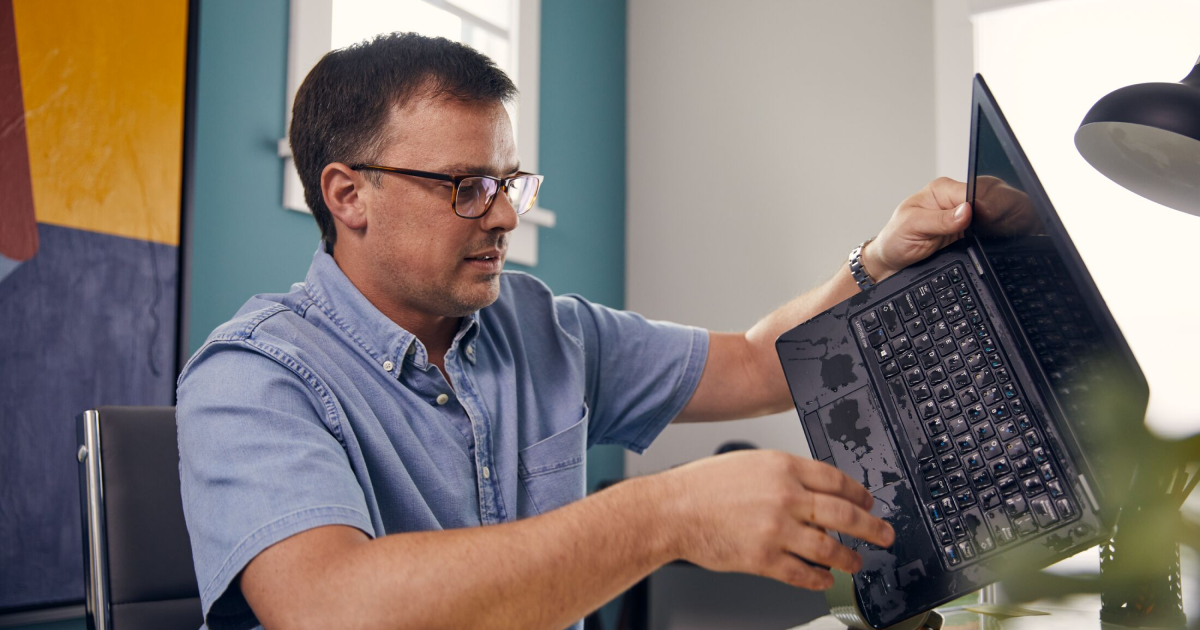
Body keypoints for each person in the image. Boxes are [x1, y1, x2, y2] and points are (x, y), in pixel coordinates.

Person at [176, 32, 971, 630]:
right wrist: (668, 514)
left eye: (509, 183)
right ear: (349, 195)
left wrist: (875, 260)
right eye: (466, 187)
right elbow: (330, 609)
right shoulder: (251, 377)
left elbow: (763, 364)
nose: (500, 217)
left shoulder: (539, 326)